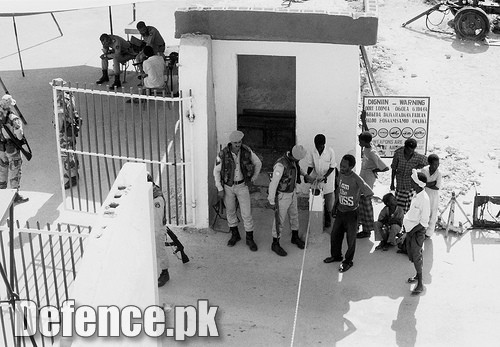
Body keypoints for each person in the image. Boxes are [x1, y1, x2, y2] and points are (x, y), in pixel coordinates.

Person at [213, 130, 262, 251]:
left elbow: (258, 163)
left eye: (239, 142)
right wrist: (219, 188)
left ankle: (249, 238)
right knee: (230, 211)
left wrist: (253, 178)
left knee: (246, 213)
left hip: (242, 186)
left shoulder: (247, 151)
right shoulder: (223, 154)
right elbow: (216, 171)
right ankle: (235, 235)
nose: (238, 145)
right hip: (228, 187)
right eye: (235, 143)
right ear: (231, 142)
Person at [324, 154, 373, 272]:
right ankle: (336, 256)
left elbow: (369, 192)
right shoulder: (340, 175)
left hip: (352, 214)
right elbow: (339, 191)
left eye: (345, 166)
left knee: (351, 239)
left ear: (351, 167)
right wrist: (335, 206)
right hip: (340, 212)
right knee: (335, 235)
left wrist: (357, 199)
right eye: (341, 165)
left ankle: (348, 261)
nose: (342, 168)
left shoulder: (356, 178)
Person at [267, 145, 310, 256]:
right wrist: (271, 200)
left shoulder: (293, 161)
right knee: (279, 220)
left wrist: (305, 175)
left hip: (292, 193)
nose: (299, 160)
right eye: (298, 159)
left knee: (294, 215)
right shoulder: (280, 165)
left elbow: (298, 169)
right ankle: (275, 243)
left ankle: (294, 237)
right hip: (282, 196)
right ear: (294, 156)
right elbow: (274, 183)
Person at [357, 131, 389, 239]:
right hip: (363, 178)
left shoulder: (372, 153)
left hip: (368, 181)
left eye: (360, 141)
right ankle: (362, 224)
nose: (359, 143)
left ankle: (367, 230)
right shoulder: (366, 149)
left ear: (365, 142)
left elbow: (385, 167)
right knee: (361, 203)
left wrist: (373, 170)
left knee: (366, 204)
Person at [403, 169, 430, 294]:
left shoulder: (424, 199)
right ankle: (417, 276)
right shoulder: (416, 194)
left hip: (416, 232)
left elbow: (424, 222)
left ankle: (420, 284)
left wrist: (411, 232)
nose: (411, 182)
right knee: (413, 255)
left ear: (417, 184)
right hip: (411, 230)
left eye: (413, 181)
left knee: (417, 256)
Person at [52, 79, 81, 189]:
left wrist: (58, 131)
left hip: (64, 130)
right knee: (72, 149)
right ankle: (75, 172)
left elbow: (60, 118)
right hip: (71, 127)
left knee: (66, 154)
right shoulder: (69, 95)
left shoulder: (60, 99)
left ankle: (72, 176)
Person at [0, 94, 28, 204]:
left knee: (2, 170)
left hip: (1, 148)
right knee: (15, 171)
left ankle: (1, 194)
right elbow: (19, 135)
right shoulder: (14, 119)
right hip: (12, 149)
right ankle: (15, 195)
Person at [305, 134, 337, 229]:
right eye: (316, 146)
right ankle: (317, 219)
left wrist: (325, 176)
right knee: (317, 199)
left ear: (324, 144)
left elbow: (332, 166)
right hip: (317, 179)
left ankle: (328, 219)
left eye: (320, 146)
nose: (318, 148)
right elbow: (310, 165)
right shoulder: (312, 151)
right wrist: (307, 175)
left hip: (328, 179)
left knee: (328, 201)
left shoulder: (330, 151)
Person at [390, 138, 427, 213]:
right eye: (409, 150)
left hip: (410, 184)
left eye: (412, 150)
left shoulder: (417, 156)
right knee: (397, 205)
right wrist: (392, 183)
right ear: (405, 147)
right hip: (400, 183)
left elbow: (428, 162)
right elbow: (394, 168)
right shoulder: (398, 154)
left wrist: (417, 167)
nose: (410, 152)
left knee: (407, 206)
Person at [147, 173, 170, 287]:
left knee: (159, 250)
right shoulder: (151, 192)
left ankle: (165, 272)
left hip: (157, 229)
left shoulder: (156, 199)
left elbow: (157, 220)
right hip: (151, 226)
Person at [421, 154, 442, 238]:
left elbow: (437, 187)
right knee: (423, 213)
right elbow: (421, 183)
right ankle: (422, 231)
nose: (436, 166)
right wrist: (430, 183)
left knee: (432, 214)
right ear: (429, 163)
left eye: (438, 164)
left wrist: (426, 184)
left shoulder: (439, 173)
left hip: (433, 196)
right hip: (424, 194)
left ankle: (428, 233)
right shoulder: (424, 170)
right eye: (434, 164)